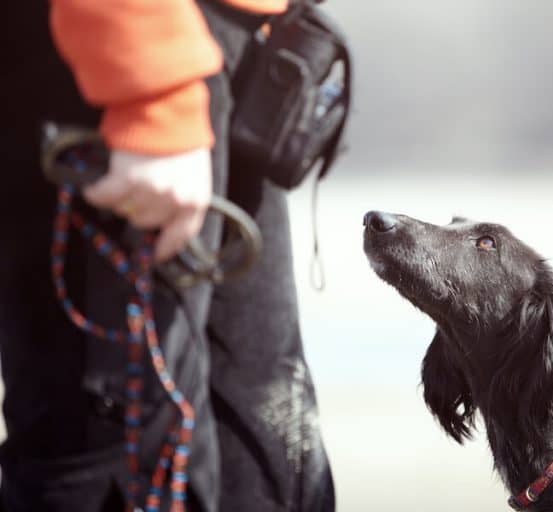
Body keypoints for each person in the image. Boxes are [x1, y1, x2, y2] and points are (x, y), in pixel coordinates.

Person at [0, 1, 334, 510]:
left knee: (266, 456)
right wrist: (148, 88)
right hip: (119, 66)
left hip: (228, 54)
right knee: (119, 467)